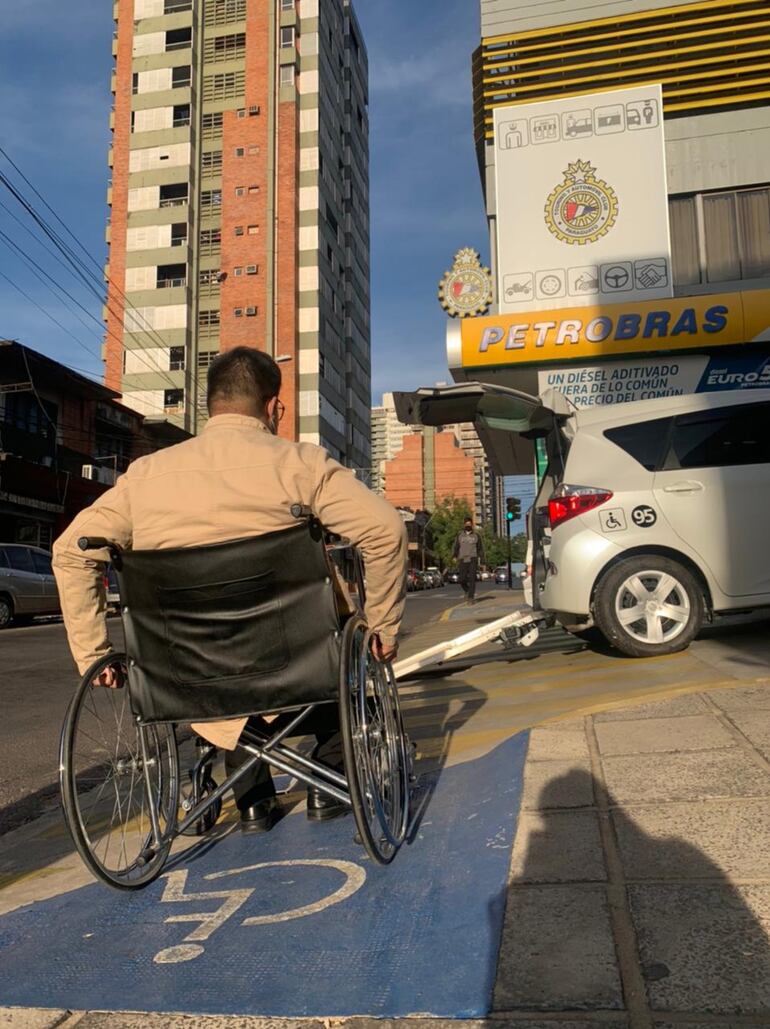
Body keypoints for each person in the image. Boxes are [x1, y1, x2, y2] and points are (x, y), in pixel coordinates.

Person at [52, 347, 408, 834]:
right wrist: (383, 626)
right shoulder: (301, 463)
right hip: (300, 668)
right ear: (273, 407)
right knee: (333, 634)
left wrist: (94, 652)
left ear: (210, 407)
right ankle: (328, 784)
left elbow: (71, 551)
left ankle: (253, 801)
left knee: (215, 662)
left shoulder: (147, 476)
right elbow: (386, 530)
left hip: (190, 678)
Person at [453, 516, 485, 604]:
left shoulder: (476, 536)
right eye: (466, 524)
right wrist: (455, 556)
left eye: (469, 524)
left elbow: (480, 548)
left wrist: (482, 559)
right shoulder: (460, 535)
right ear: (464, 525)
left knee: (472, 579)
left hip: (473, 559)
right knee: (461, 579)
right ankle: (467, 590)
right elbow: (456, 547)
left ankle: (471, 598)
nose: (468, 525)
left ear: (472, 525)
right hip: (462, 559)